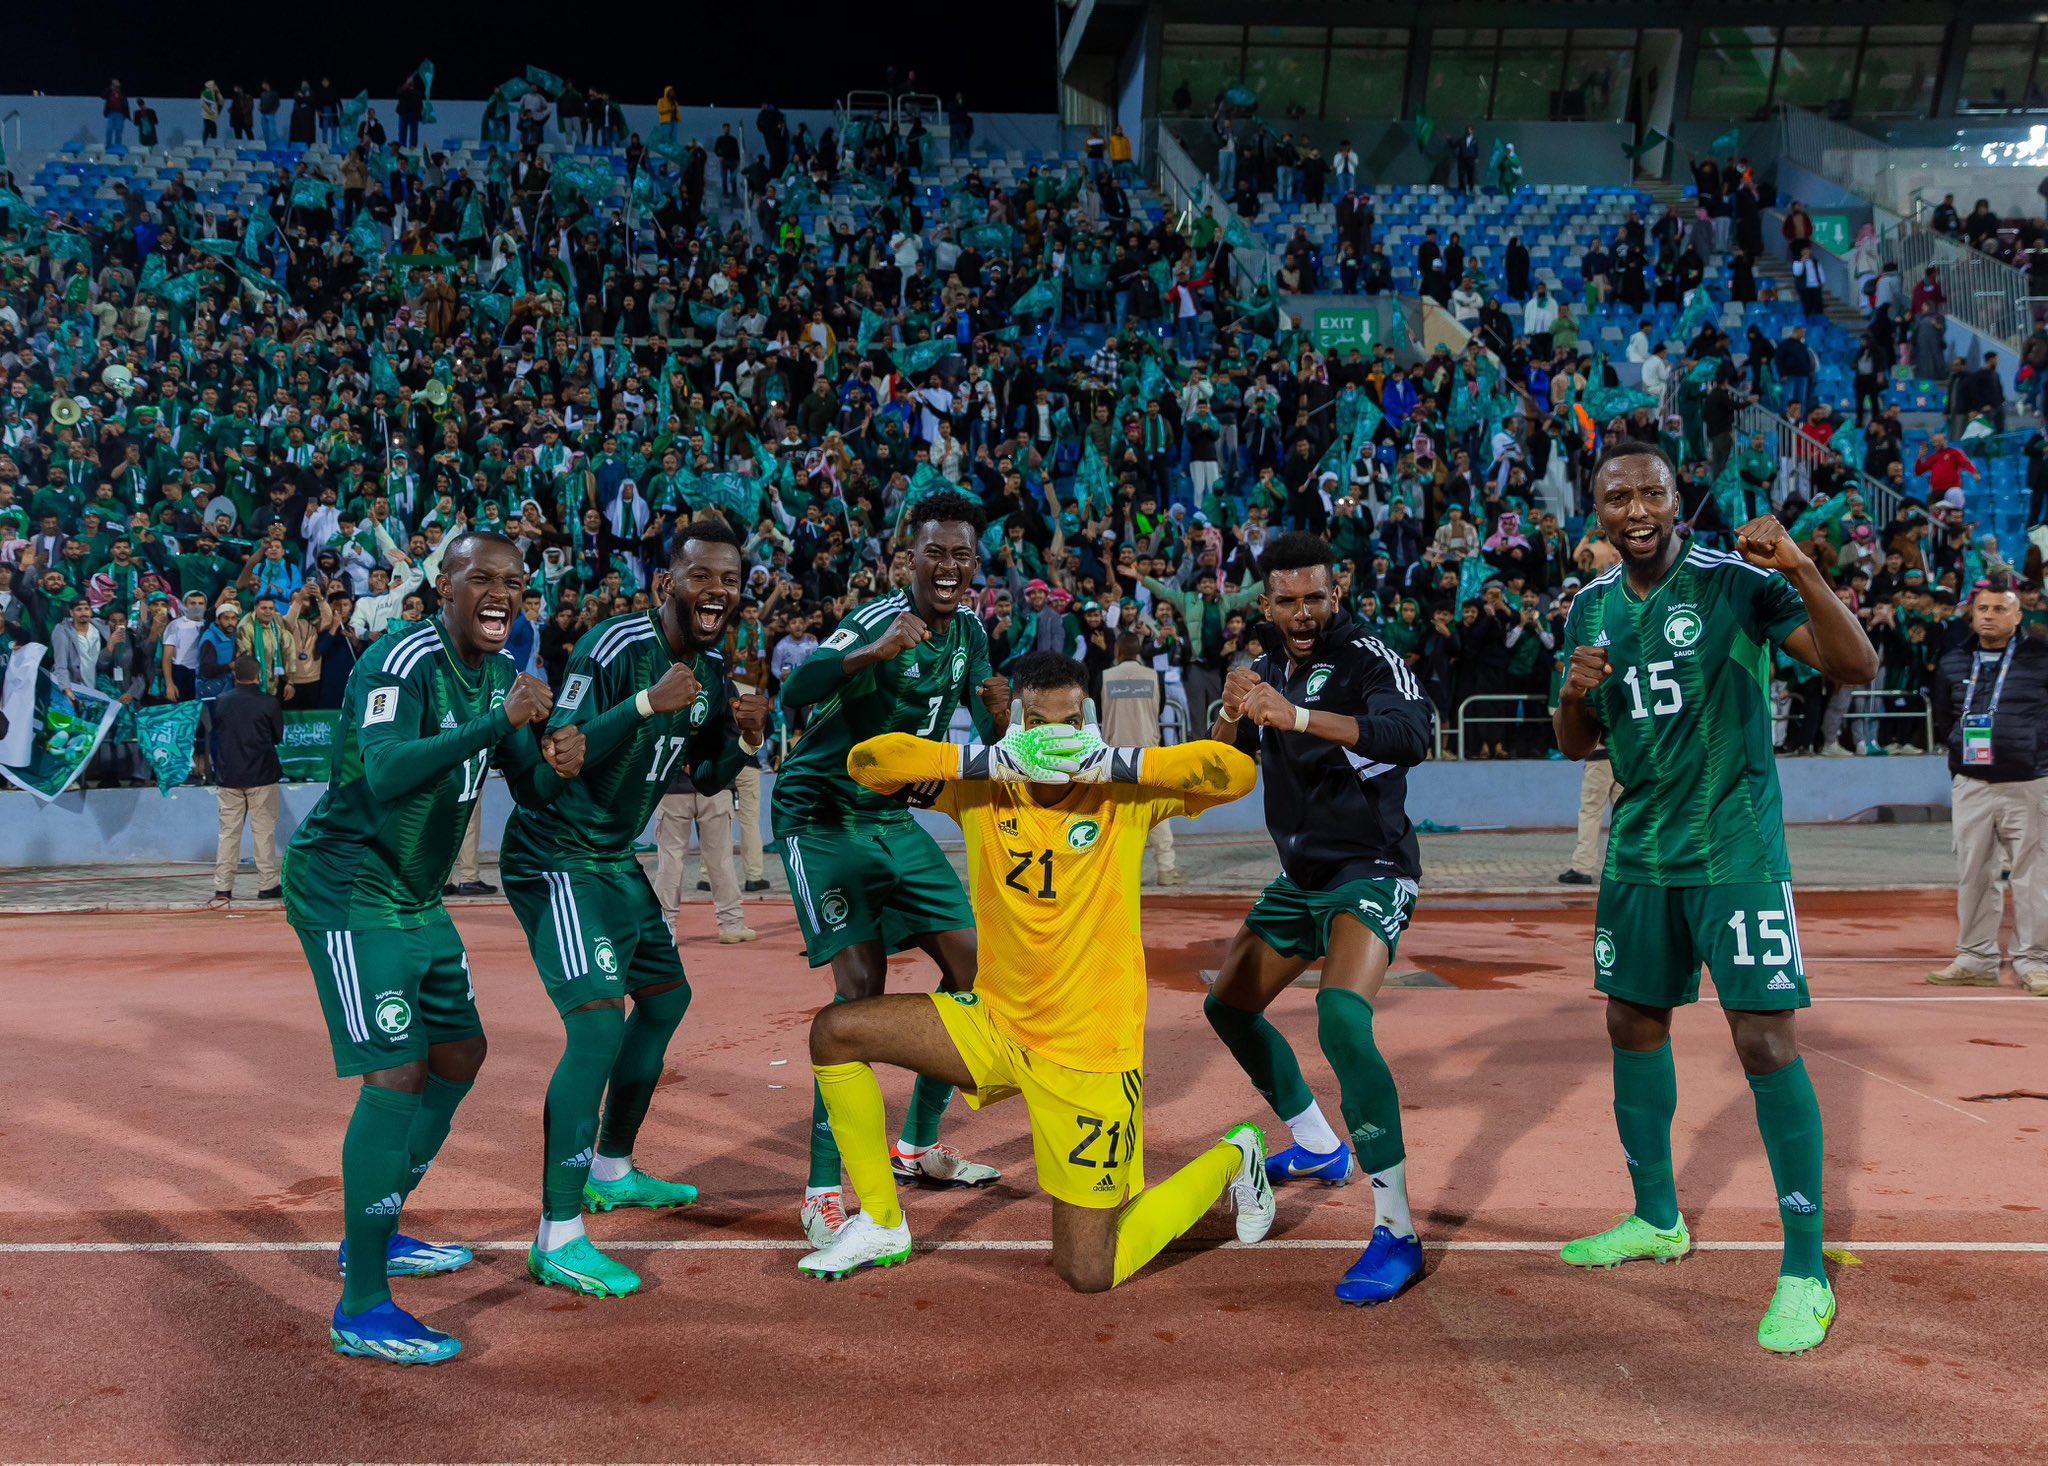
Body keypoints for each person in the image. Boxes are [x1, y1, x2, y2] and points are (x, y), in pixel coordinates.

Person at [797, 652, 1273, 1284]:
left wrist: (1113, 761)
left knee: (1089, 1272)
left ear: (1091, 723)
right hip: (997, 1025)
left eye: (1072, 722)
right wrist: (991, 758)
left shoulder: (1123, 796)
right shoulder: (983, 787)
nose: (1059, 736)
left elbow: (1234, 773)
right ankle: (883, 1223)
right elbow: (869, 763)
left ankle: (1235, 1156)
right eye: (1042, 722)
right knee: (836, 1032)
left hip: (1089, 1054)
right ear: (1018, 721)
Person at [1552, 441, 1879, 1355]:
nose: (1636, 509)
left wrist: (1806, 566)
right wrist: (1578, 695)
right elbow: (1576, 738)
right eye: (1617, 497)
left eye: (1652, 491)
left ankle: (1806, 1271)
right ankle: (1656, 1219)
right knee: (1631, 1024)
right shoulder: (1589, 606)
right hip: (1641, 854)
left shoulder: (1740, 582)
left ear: (1677, 498)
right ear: (1600, 512)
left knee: (1764, 1039)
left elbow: (1853, 668)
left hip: (1735, 851)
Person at [284, 532, 581, 1366]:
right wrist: (501, 720)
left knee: (460, 1052)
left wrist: (562, 758)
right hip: (348, 887)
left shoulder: (498, 673)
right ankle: (362, 1305)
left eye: (514, 583)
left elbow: (532, 783)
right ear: (442, 585)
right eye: (479, 579)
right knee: (397, 1072)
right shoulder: (401, 658)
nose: (500, 594)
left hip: (414, 897)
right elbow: (381, 772)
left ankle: (377, 1221)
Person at [499, 519, 770, 1299]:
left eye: (730, 579)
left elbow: (711, 777)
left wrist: (747, 740)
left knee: (665, 997)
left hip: (615, 860)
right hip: (555, 853)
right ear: (666, 586)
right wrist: (649, 704)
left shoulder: (713, 670)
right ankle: (557, 1234)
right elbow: (561, 746)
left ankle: (611, 1169)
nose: (717, 590)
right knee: (595, 1024)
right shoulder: (616, 646)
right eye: (701, 576)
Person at [771, 491, 1012, 1246]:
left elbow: (989, 731)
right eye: (934, 554)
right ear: (907, 559)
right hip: (821, 816)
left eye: (961, 556)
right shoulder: (879, 620)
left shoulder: (972, 632)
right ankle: (821, 1189)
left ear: (976, 564)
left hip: (890, 816)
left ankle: (915, 1143)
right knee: (859, 996)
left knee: (978, 971)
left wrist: (1002, 716)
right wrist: (870, 656)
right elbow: (794, 693)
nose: (948, 568)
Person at [1202, 532, 1436, 1306]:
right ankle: (1315, 1146)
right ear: (1263, 604)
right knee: (1228, 1006)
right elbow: (1221, 774)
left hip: (1371, 869)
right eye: (1286, 601)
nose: (1302, 614)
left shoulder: (1371, 654)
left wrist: (1295, 715)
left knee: (1342, 1018)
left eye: (1314, 598)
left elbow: (1411, 736)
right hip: (1299, 876)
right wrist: (1234, 719)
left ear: (1336, 595)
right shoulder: (1265, 667)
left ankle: (1398, 1230)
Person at [1925, 581, 2048, 992]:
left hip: (2030, 782)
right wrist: (1962, 754)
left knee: (2035, 876)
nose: (1989, 615)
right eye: (1982, 608)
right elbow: (1944, 717)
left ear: (2018, 616)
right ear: (1972, 614)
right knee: (1974, 873)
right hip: (1972, 784)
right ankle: (1976, 958)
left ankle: (2035, 961)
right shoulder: (1954, 662)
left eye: (1999, 608)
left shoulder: (2041, 659)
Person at [1099, 633, 1181, 886]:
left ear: (1118, 651)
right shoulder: (1153, 677)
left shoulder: (1104, 677)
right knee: (1156, 812)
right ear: (1138, 652)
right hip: (1148, 753)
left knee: (1119, 817)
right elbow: (1159, 708)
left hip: (1116, 755)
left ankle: (1122, 872)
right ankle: (1166, 870)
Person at [211, 654, 284, 903]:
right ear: (258, 676)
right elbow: (277, 736)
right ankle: (267, 886)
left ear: (235, 676)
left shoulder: (221, 701)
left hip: (228, 775)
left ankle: (223, 888)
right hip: (261, 775)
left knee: (228, 833)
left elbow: (217, 731)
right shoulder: (269, 702)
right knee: (263, 832)